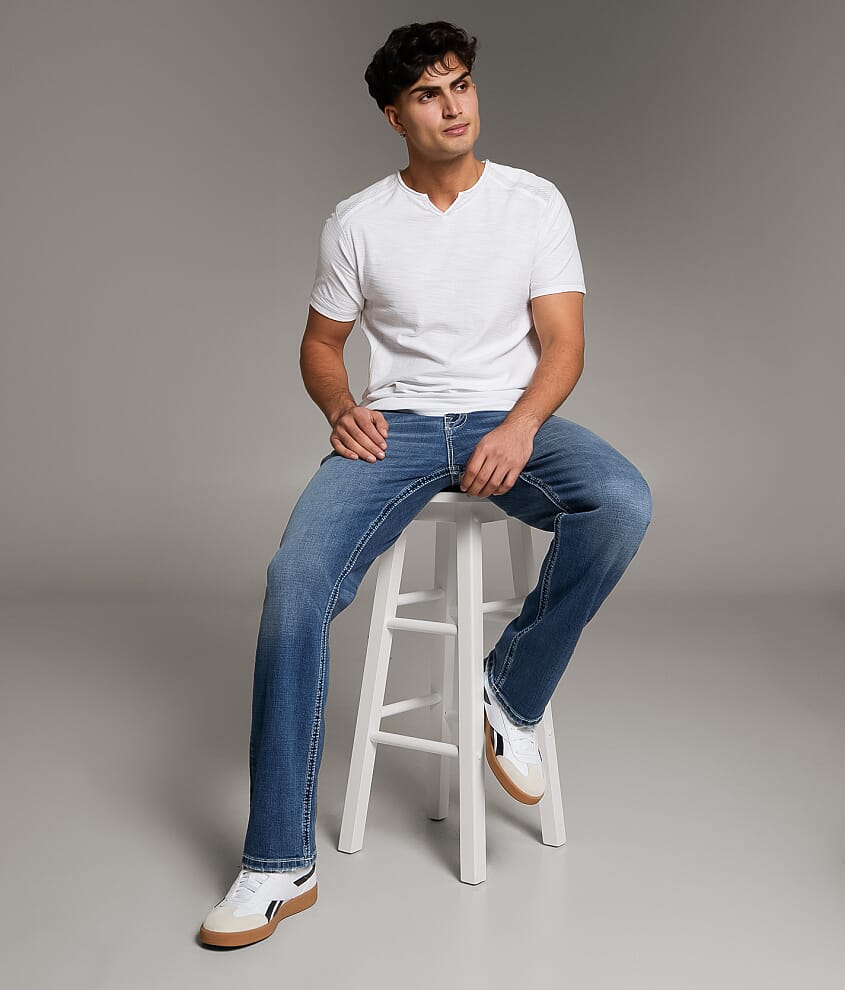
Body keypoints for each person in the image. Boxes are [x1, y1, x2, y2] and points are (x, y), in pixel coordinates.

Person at [199, 20, 652, 948]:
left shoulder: (532, 202)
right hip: (395, 430)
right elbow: (322, 344)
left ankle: (510, 691)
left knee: (621, 501)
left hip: (505, 420)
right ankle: (278, 863)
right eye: (427, 94)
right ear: (393, 116)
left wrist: (519, 426)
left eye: (461, 85)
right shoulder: (358, 221)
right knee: (294, 582)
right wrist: (339, 407)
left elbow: (563, 345)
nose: (453, 107)